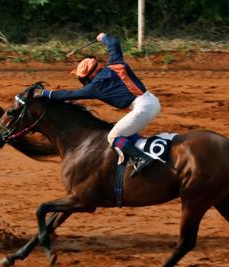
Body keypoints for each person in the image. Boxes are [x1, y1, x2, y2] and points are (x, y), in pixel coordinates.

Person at [34, 33, 162, 177]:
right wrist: (102, 37)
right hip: (152, 101)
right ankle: (140, 149)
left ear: (87, 76)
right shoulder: (116, 63)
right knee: (123, 130)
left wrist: (44, 93)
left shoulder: (94, 87)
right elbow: (114, 43)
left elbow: (70, 94)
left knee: (113, 137)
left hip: (142, 108)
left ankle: (141, 159)